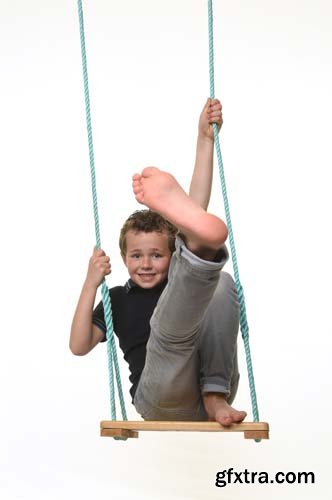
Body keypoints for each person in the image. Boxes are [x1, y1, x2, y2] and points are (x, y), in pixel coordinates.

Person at [70, 99, 247, 426]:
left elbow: (196, 210)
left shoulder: (178, 282)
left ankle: (214, 394)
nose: (147, 264)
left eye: (157, 255)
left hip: (210, 389)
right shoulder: (117, 300)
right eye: (137, 256)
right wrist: (90, 285)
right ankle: (199, 241)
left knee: (219, 282)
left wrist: (204, 139)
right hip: (159, 395)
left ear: (170, 255)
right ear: (124, 258)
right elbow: (79, 346)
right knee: (169, 335)